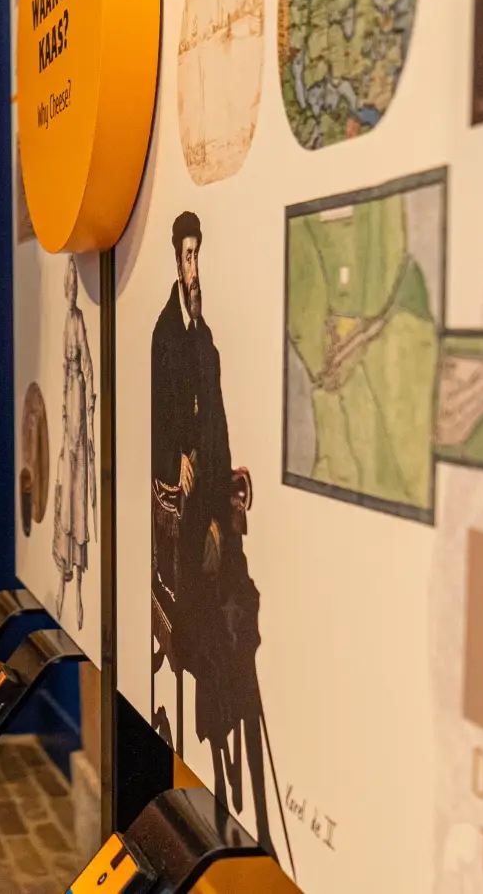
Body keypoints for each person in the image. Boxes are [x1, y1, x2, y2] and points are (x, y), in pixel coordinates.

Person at [148, 212, 273, 855]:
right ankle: (212, 738)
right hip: (183, 496)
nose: (192, 266)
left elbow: (216, 413)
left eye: (198, 254)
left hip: (211, 496)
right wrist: (175, 461)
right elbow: (159, 412)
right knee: (199, 615)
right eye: (186, 255)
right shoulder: (166, 333)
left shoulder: (204, 334)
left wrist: (222, 479)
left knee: (229, 600)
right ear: (175, 258)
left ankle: (227, 734)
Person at [52, 258, 95, 628]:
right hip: (69, 403)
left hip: (78, 402)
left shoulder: (78, 319)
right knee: (65, 490)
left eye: (72, 285)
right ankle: (64, 576)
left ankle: (78, 586)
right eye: (67, 285)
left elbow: (87, 368)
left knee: (78, 492)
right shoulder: (66, 319)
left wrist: (88, 411)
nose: (70, 291)